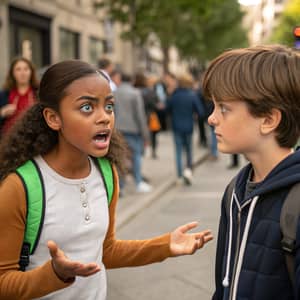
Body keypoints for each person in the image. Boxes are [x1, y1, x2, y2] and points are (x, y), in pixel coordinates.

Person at [0, 60, 213, 299]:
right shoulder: (20, 186)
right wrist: (54, 275)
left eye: (109, 106)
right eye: (87, 108)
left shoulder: (106, 172)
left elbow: (106, 251)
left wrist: (165, 246)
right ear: (53, 118)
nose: (105, 118)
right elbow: (3, 281)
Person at [202, 45, 300, 300]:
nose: (212, 118)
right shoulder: (235, 189)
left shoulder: (296, 202)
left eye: (223, 108)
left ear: (268, 120)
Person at [114, 72, 152, 193]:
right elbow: (140, 115)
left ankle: (120, 186)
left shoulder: (114, 93)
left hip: (118, 129)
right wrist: (145, 134)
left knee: (120, 158)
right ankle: (138, 182)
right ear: (131, 80)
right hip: (133, 130)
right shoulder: (135, 93)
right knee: (136, 156)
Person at [167, 72, 205, 185]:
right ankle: (188, 171)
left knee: (178, 151)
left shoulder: (174, 95)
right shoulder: (192, 95)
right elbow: (201, 111)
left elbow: (166, 109)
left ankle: (179, 175)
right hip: (189, 126)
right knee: (189, 151)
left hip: (176, 126)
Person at [0, 57, 39, 135]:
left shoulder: (39, 93)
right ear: (12, 73)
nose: (22, 73)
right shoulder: (3, 95)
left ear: (31, 72)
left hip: (34, 138)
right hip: (8, 140)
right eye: (18, 69)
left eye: (26, 69)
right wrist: (2, 113)